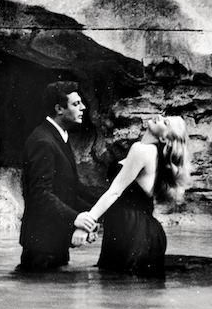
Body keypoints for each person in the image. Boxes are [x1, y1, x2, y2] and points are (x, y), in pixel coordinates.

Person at [82, 114, 189, 277]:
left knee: (118, 291)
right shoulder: (148, 151)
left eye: (165, 122)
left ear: (163, 139)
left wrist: (87, 222)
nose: (159, 117)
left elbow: (115, 191)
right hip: (135, 229)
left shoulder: (142, 150)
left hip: (132, 231)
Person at [18, 81, 98, 271]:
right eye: (76, 104)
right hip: (42, 247)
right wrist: (75, 218)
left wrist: (92, 217)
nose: (83, 108)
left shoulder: (58, 136)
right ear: (59, 109)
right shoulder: (43, 141)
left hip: (52, 242)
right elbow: (40, 195)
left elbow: (71, 189)